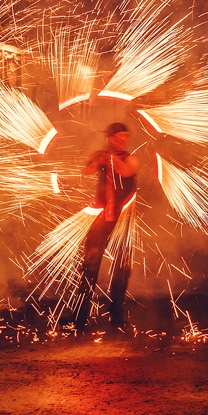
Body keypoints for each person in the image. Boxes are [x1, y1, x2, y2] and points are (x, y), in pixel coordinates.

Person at [72, 122, 139, 331]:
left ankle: (116, 317)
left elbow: (127, 172)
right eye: (118, 137)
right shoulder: (103, 156)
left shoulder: (130, 158)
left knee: (121, 269)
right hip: (101, 219)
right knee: (89, 267)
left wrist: (108, 158)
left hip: (123, 222)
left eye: (125, 137)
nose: (122, 140)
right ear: (110, 138)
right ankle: (79, 318)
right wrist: (96, 159)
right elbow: (87, 170)